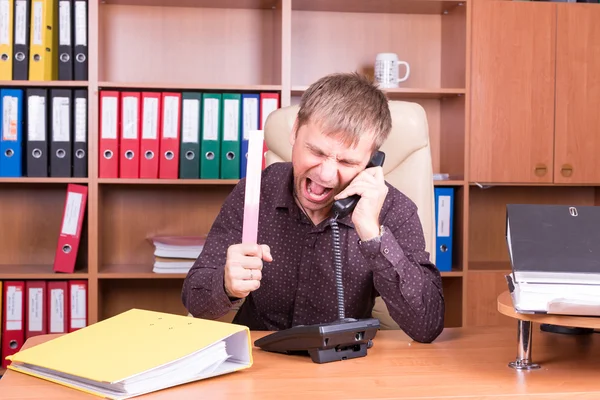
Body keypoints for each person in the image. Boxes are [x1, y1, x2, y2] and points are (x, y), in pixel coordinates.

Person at [181, 72, 445, 343]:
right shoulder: (255, 193)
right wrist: (226, 285)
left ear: (372, 161)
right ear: (295, 131)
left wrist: (372, 234)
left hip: (345, 363)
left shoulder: (393, 210)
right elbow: (195, 301)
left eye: (348, 162)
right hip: (260, 359)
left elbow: (427, 326)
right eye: (317, 152)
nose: (327, 175)